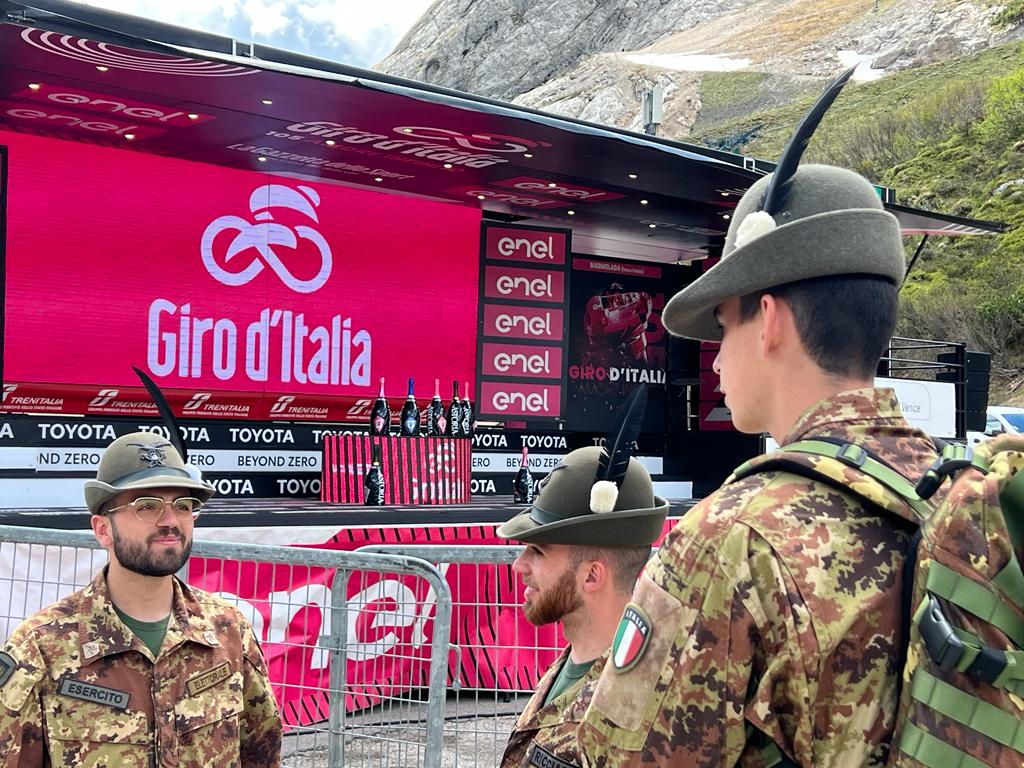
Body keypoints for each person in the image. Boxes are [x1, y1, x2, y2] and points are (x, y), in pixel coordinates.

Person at [577, 102, 943, 766]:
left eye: (724, 326)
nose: (716, 359)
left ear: (768, 320)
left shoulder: (734, 538)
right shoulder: (960, 501)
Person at [0, 432, 283, 766]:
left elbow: (261, 752)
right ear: (103, 529)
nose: (170, 521)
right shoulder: (41, 648)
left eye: (183, 506)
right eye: (147, 506)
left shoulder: (228, 631)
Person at [498, 444, 669, 768]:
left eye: (537, 551)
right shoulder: (572, 665)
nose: (518, 565)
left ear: (591, 576)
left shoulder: (636, 714)